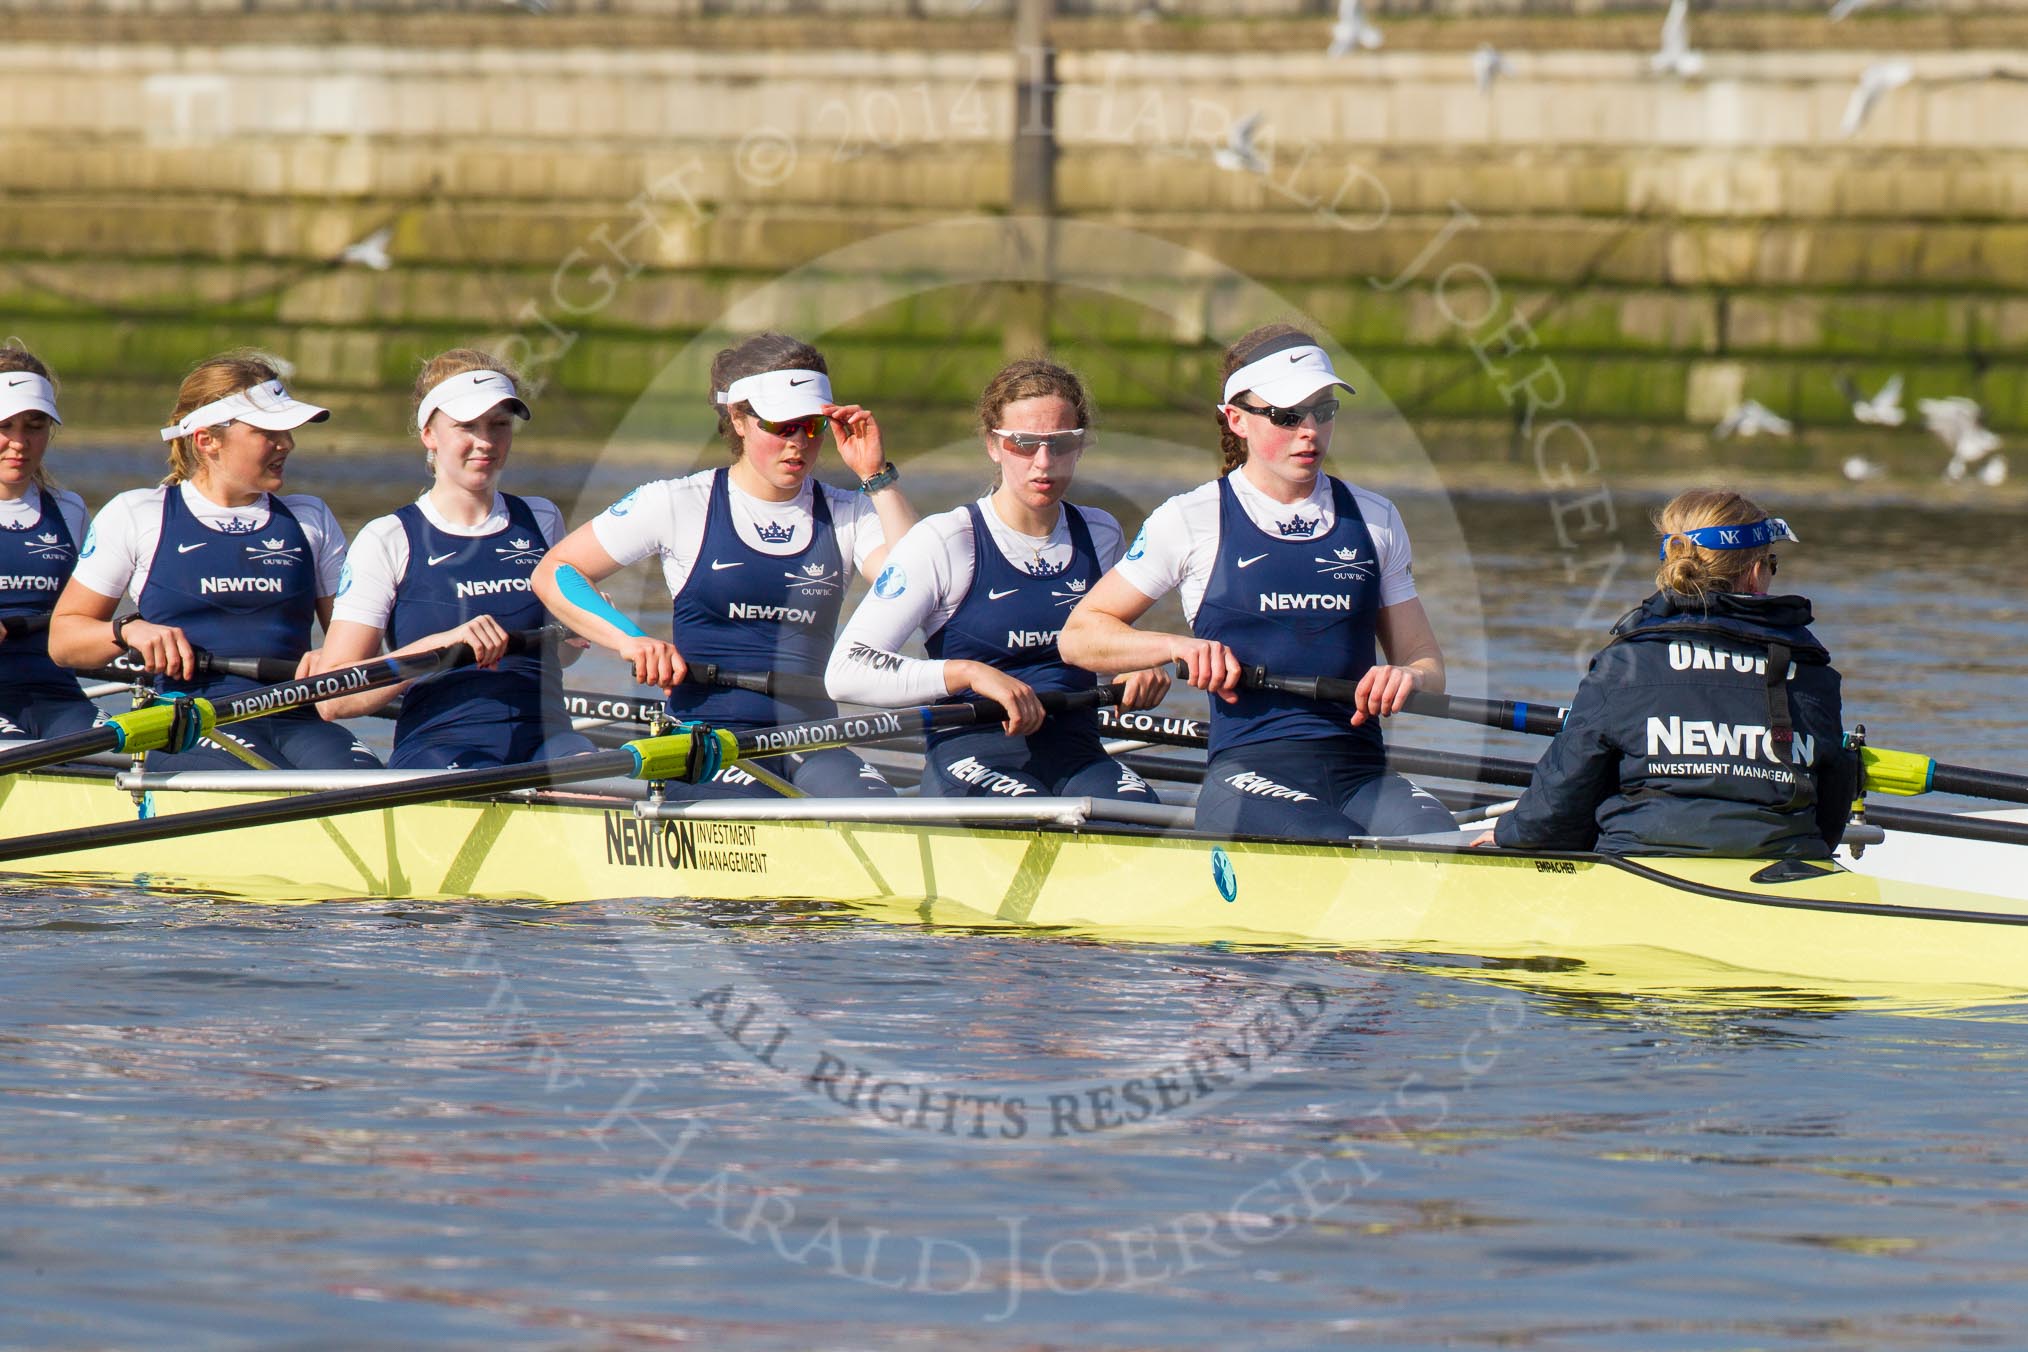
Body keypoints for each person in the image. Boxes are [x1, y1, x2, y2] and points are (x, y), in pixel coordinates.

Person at [1058, 322, 1455, 839]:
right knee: (1329, 841)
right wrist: (1176, 648)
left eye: (1324, 411)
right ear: (1236, 419)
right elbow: (1079, 634)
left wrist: (1412, 677)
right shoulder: (1191, 518)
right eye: (1287, 417)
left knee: (1443, 838)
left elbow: (1426, 660)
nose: (1309, 430)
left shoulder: (1375, 519)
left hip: (1362, 771)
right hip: (1250, 772)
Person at [532, 332, 917, 798]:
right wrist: (630, 641)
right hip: (705, 741)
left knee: (880, 811)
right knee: (752, 807)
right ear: (738, 418)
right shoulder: (677, 503)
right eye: (781, 426)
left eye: (811, 426)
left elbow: (912, 587)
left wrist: (876, 477)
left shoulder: (848, 513)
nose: (798, 443)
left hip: (813, 741)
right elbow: (556, 570)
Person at [826, 358, 1167, 801]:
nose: (1043, 463)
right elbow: (847, 670)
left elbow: (1110, 648)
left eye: (1060, 444)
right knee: (1028, 812)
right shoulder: (947, 539)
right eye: (1023, 444)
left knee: (1136, 808)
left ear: (1080, 445)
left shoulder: (1100, 535)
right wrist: (968, 673)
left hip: (1079, 754)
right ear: (993, 444)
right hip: (973, 755)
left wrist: (1139, 665)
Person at [49, 351, 378, 770]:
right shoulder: (139, 514)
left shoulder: (310, 518)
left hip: (297, 716)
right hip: (187, 720)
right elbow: (64, 642)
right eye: (267, 432)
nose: (287, 444)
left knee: (373, 782)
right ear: (208, 441)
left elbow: (355, 648)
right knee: (252, 789)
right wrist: (129, 630)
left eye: (288, 431)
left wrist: (334, 659)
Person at [1482, 489, 1855, 857]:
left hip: (1642, 872)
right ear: (1756, 573)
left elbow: (1558, 812)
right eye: (1772, 563)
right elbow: (1829, 818)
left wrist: (1510, 834)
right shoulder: (1811, 673)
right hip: (1782, 873)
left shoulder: (1625, 664)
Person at [312, 351, 594, 769]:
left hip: (549, 739)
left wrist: (578, 625)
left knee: (593, 779)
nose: (486, 442)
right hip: (443, 746)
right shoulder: (388, 538)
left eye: (499, 425)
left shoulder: (541, 519)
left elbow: (563, 655)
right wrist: (439, 647)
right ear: (429, 433)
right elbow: (334, 699)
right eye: (466, 426)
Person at [0, 345, 97, 739]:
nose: (19, 442)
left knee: (128, 756)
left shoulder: (69, 511)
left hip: (56, 695)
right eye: (4, 425)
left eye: (34, 425)